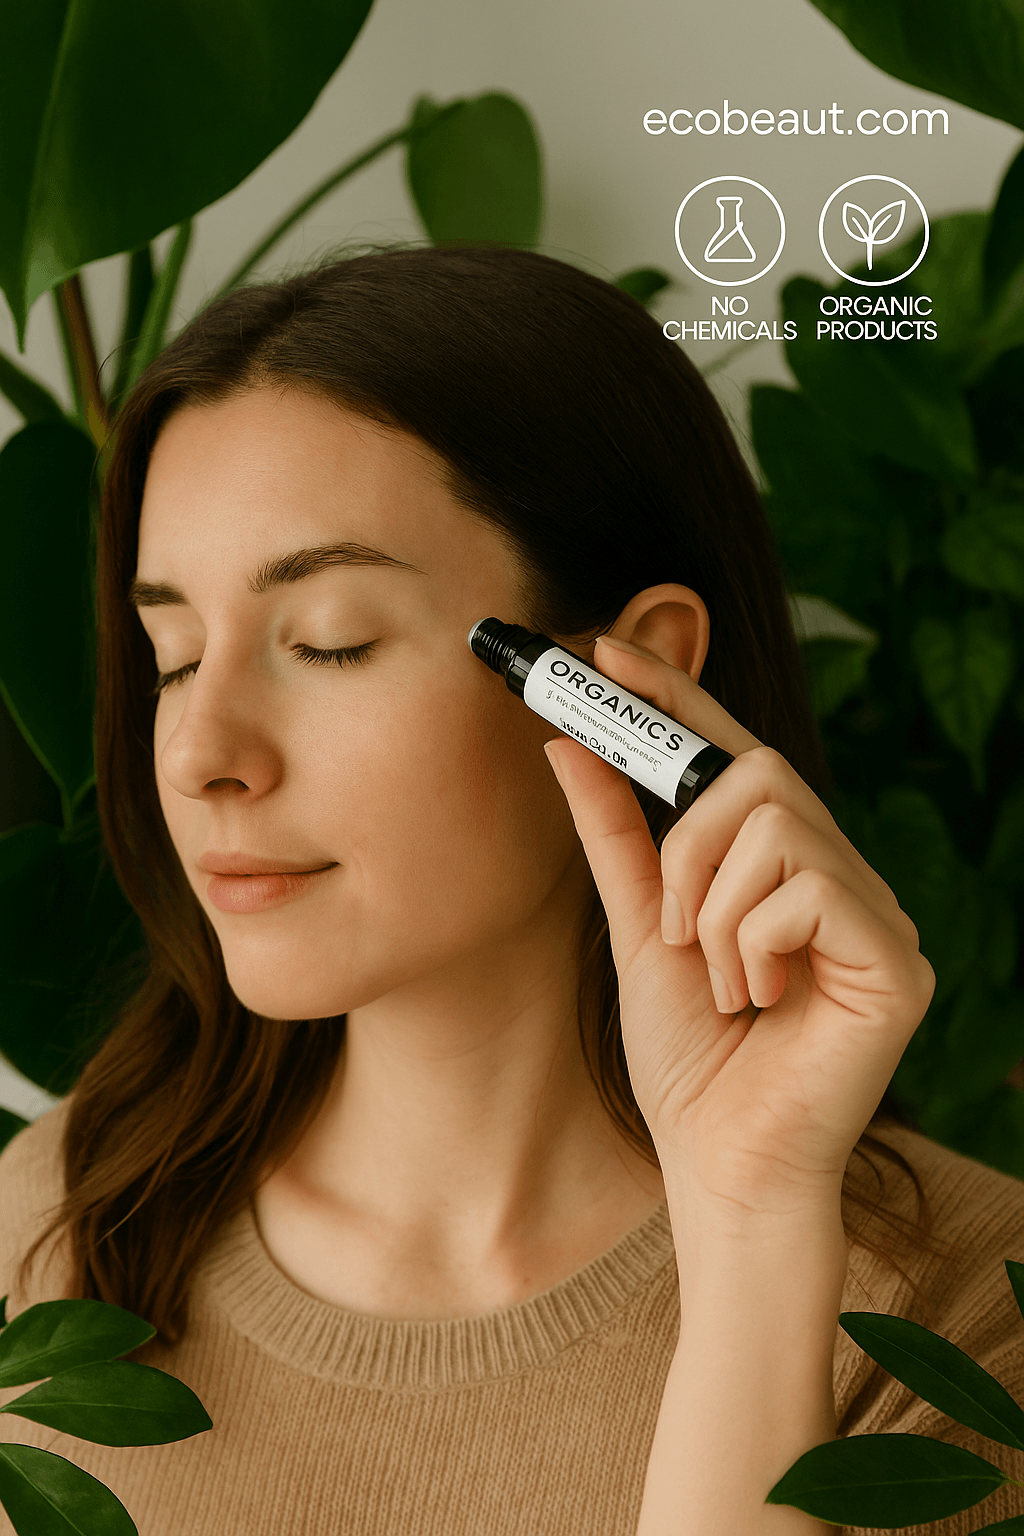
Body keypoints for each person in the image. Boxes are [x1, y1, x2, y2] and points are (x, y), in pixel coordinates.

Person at [1, 247, 1023, 1536]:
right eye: (173, 655)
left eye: (331, 642)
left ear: (623, 683)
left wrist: (754, 1228)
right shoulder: (49, 1230)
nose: (202, 756)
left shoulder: (966, 1330)